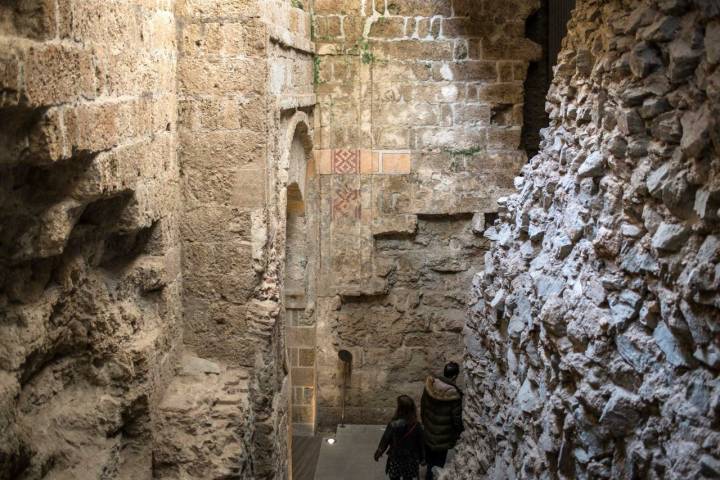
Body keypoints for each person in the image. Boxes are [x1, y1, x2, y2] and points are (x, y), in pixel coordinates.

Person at [421, 361, 463, 480]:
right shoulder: (454, 395)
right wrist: (459, 433)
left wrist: (426, 424)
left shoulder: (430, 386)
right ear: (455, 376)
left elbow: (423, 407)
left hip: (429, 431)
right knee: (438, 464)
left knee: (430, 461)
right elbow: (456, 420)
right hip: (443, 437)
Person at [374, 395, 425, 480]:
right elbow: (421, 443)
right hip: (411, 459)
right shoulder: (417, 425)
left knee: (394, 477)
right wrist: (423, 457)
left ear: (400, 408)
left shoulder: (393, 425)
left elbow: (385, 440)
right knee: (408, 478)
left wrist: (379, 452)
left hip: (396, 458)